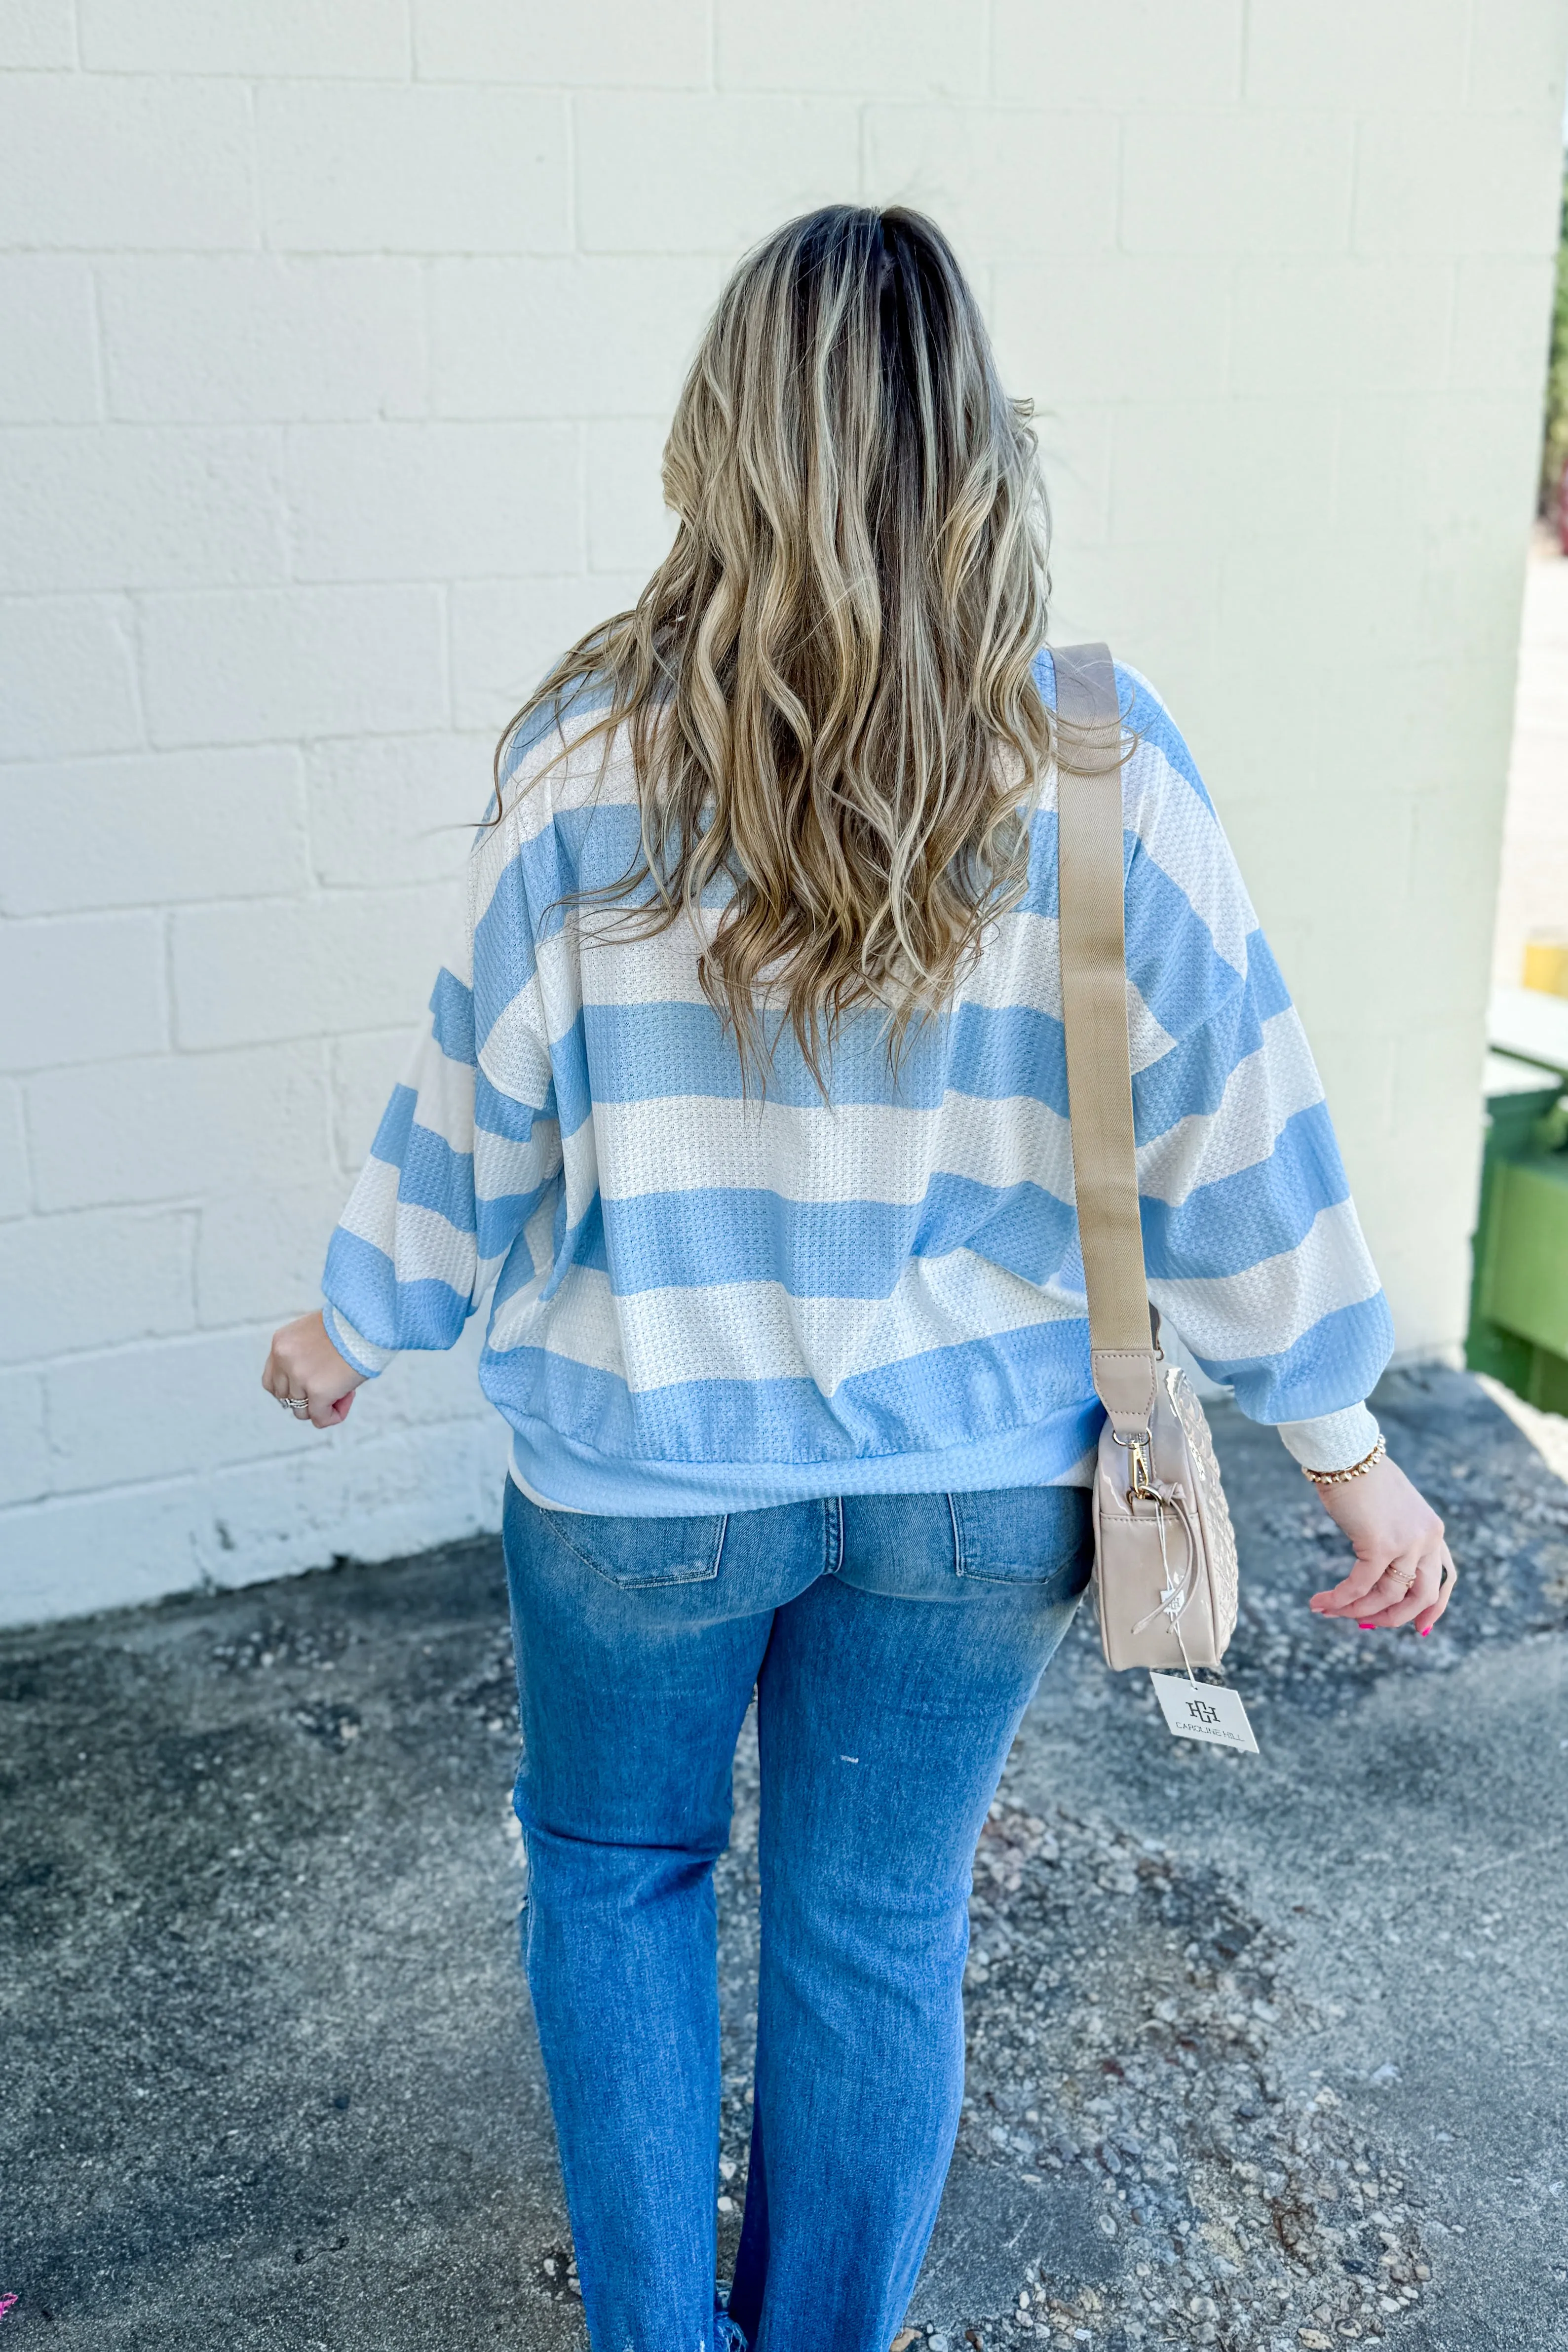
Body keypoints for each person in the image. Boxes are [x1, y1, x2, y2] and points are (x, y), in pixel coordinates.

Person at [263, 205, 1454, 2352]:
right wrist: (1342, 1441)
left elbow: (474, 1119)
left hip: (638, 1483)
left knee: (616, 1880)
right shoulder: (1097, 760)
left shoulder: (579, 764)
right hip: (972, 1488)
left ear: (719, 442)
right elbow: (1236, 1127)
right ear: (977, 442)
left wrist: (354, 1322)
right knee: (873, 1927)